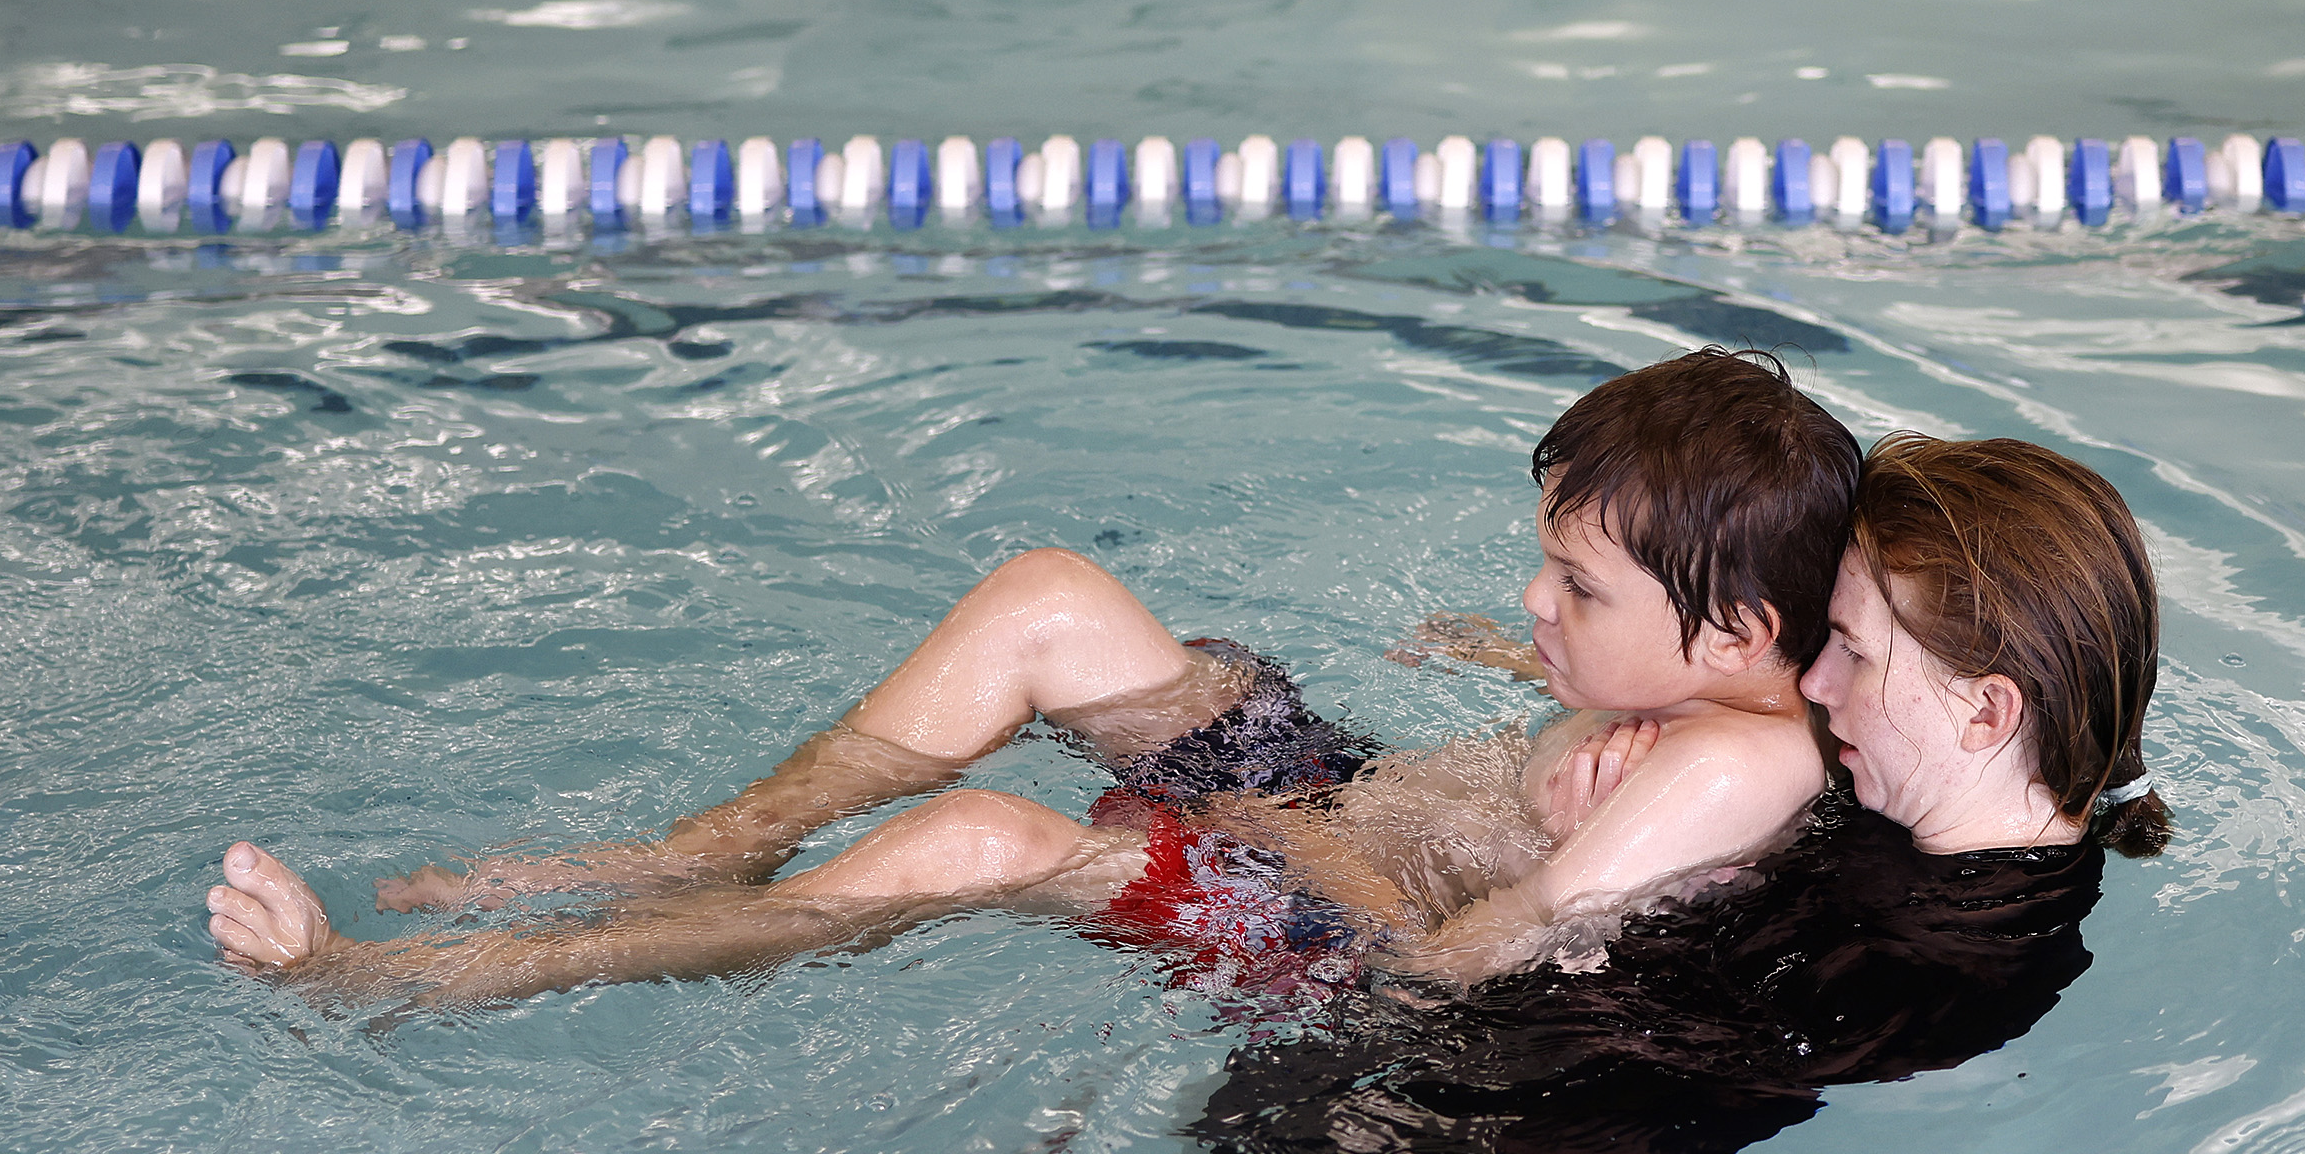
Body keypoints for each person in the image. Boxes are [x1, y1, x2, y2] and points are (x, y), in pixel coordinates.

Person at [202, 348, 1862, 1009]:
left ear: (1732, 638)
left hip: (1322, 913)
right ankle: (701, 845)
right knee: (1049, 597)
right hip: (1336, 802)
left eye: (1572, 583)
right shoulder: (1727, 677)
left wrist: (1307, 852)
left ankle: (399, 981)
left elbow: (1451, 974)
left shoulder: (1727, 768)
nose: (1533, 594)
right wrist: (1536, 660)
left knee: (978, 839)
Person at [1102, 432, 2174, 1154]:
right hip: (1423, 1065)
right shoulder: (1900, 782)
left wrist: (1568, 879)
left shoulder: (1949, 959)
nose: (1811, 683)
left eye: (1847, 649)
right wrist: (1617, 742)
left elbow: (1586, 1046)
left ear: (1988, 713)